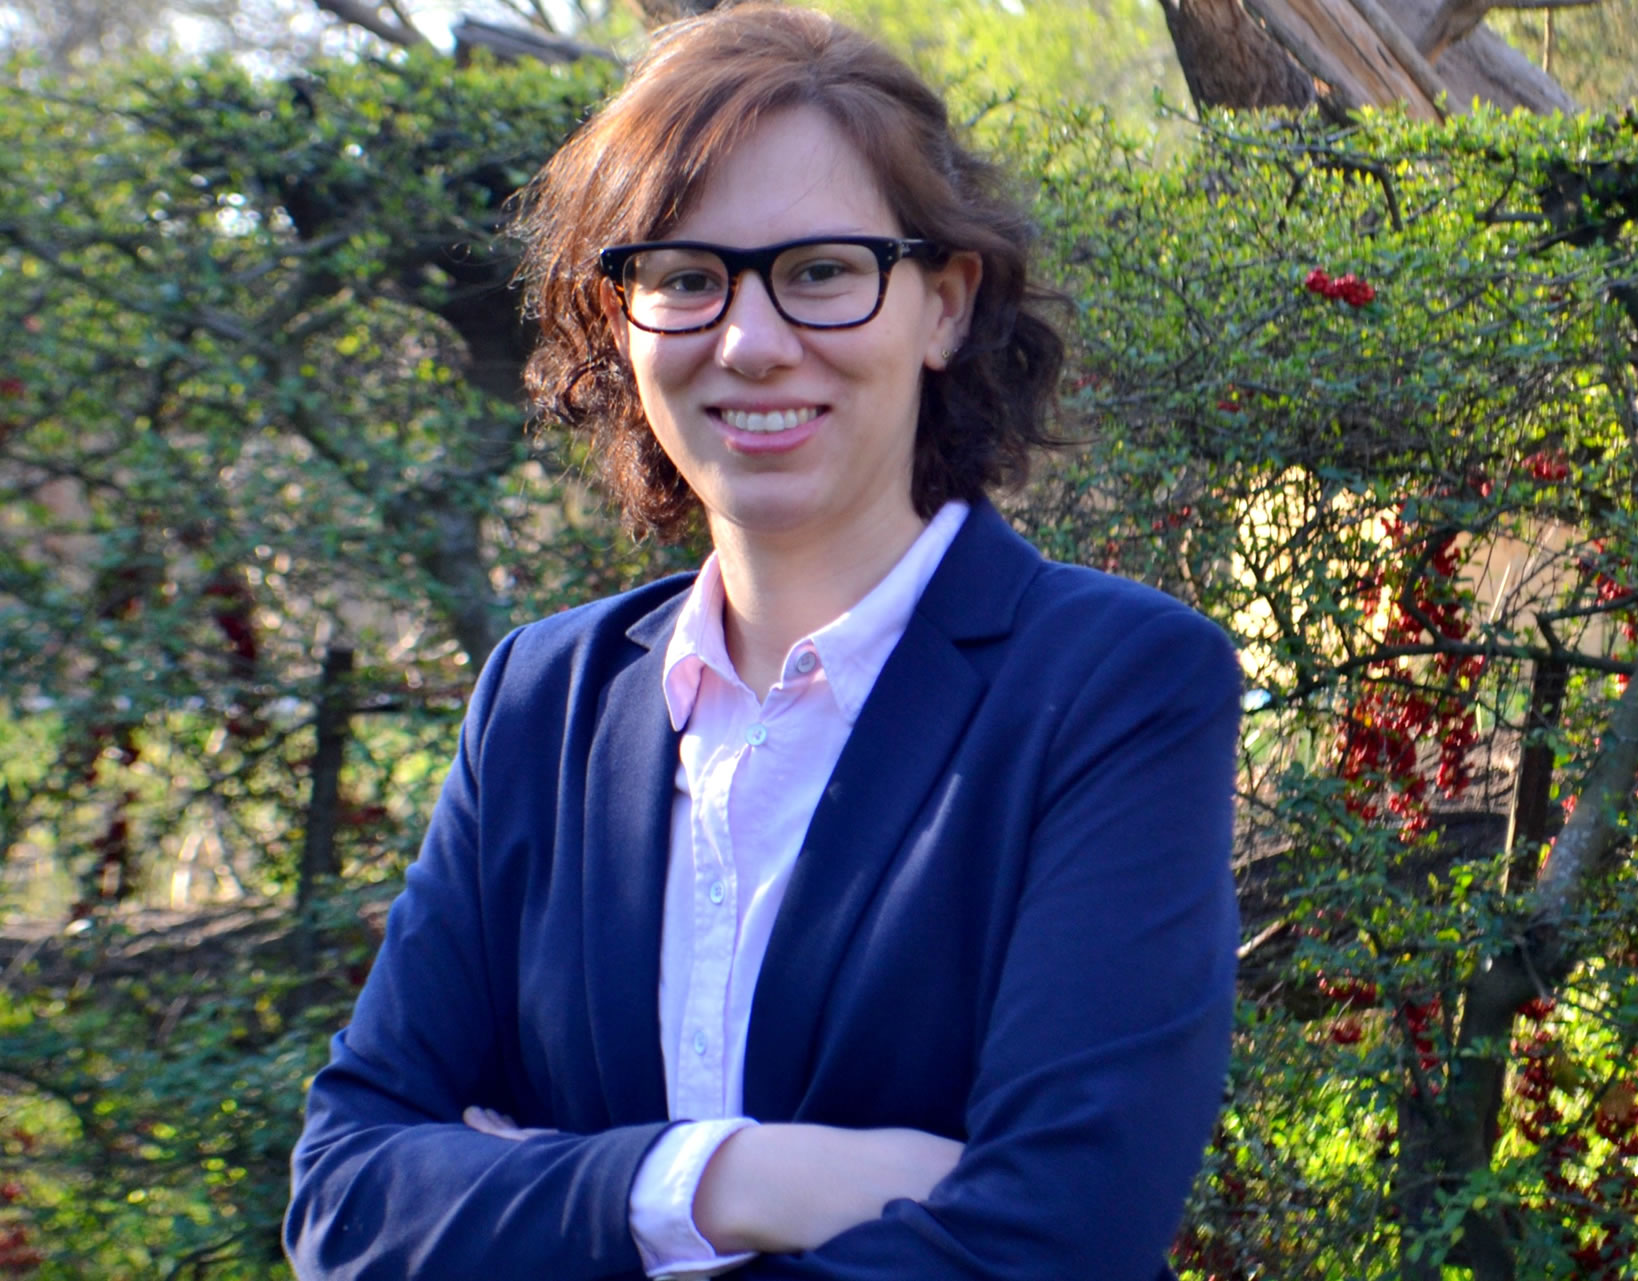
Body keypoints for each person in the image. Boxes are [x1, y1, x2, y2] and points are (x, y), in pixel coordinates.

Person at [284, 8, 1242, 1280]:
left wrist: (539, 1202)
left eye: (823, 271)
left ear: (946, 306)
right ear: (618, 322)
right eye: (686, 277)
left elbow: (1057, 1238)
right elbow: (348, 1199)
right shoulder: (542, 703)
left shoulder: (1112, 687)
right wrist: (731, 1181)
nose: (749, 341)